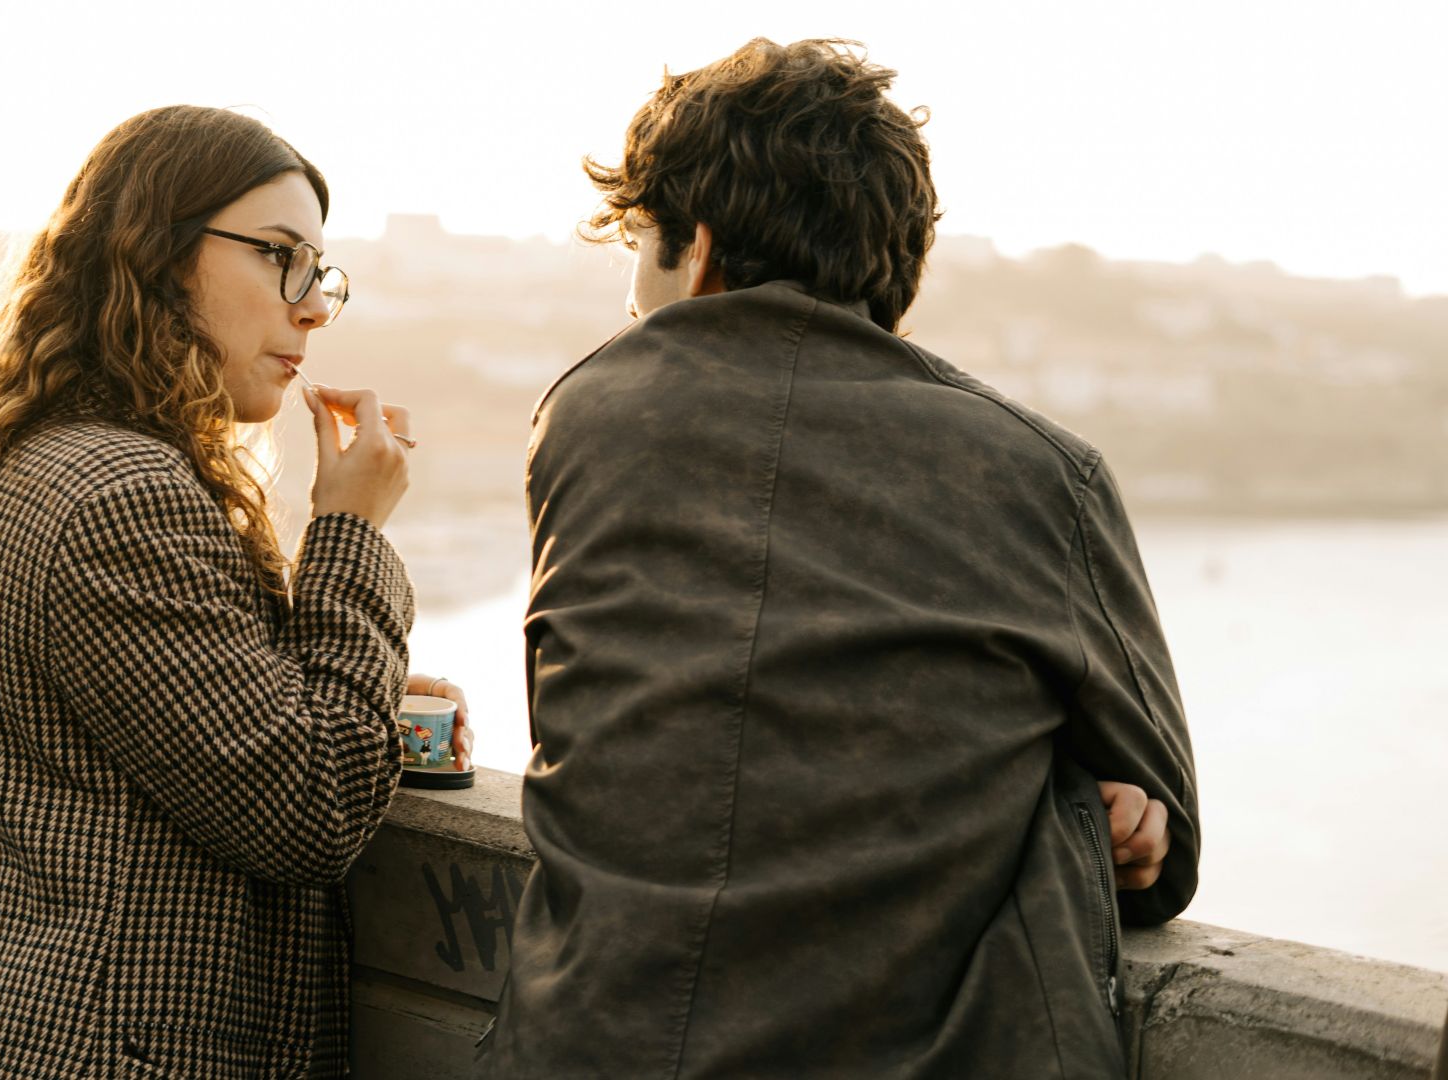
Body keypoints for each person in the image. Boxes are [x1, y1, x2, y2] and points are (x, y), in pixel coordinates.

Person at [477, 39, 1199, 1077]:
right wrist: (1087, 805)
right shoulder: (1043, 475)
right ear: (894, 262)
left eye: (642, 247)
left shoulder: (587, 414)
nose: (633, 304)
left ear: (699, 248)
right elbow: (1168, 862)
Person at [0, 105, 469, 1079]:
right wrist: (349, 532)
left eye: (322, 274)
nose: (311, 307)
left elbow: (184, 728)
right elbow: (307, 812)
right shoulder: (126, 496)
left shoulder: (46, 457)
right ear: (157, 254)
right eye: (281, 257)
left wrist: (356, 694)